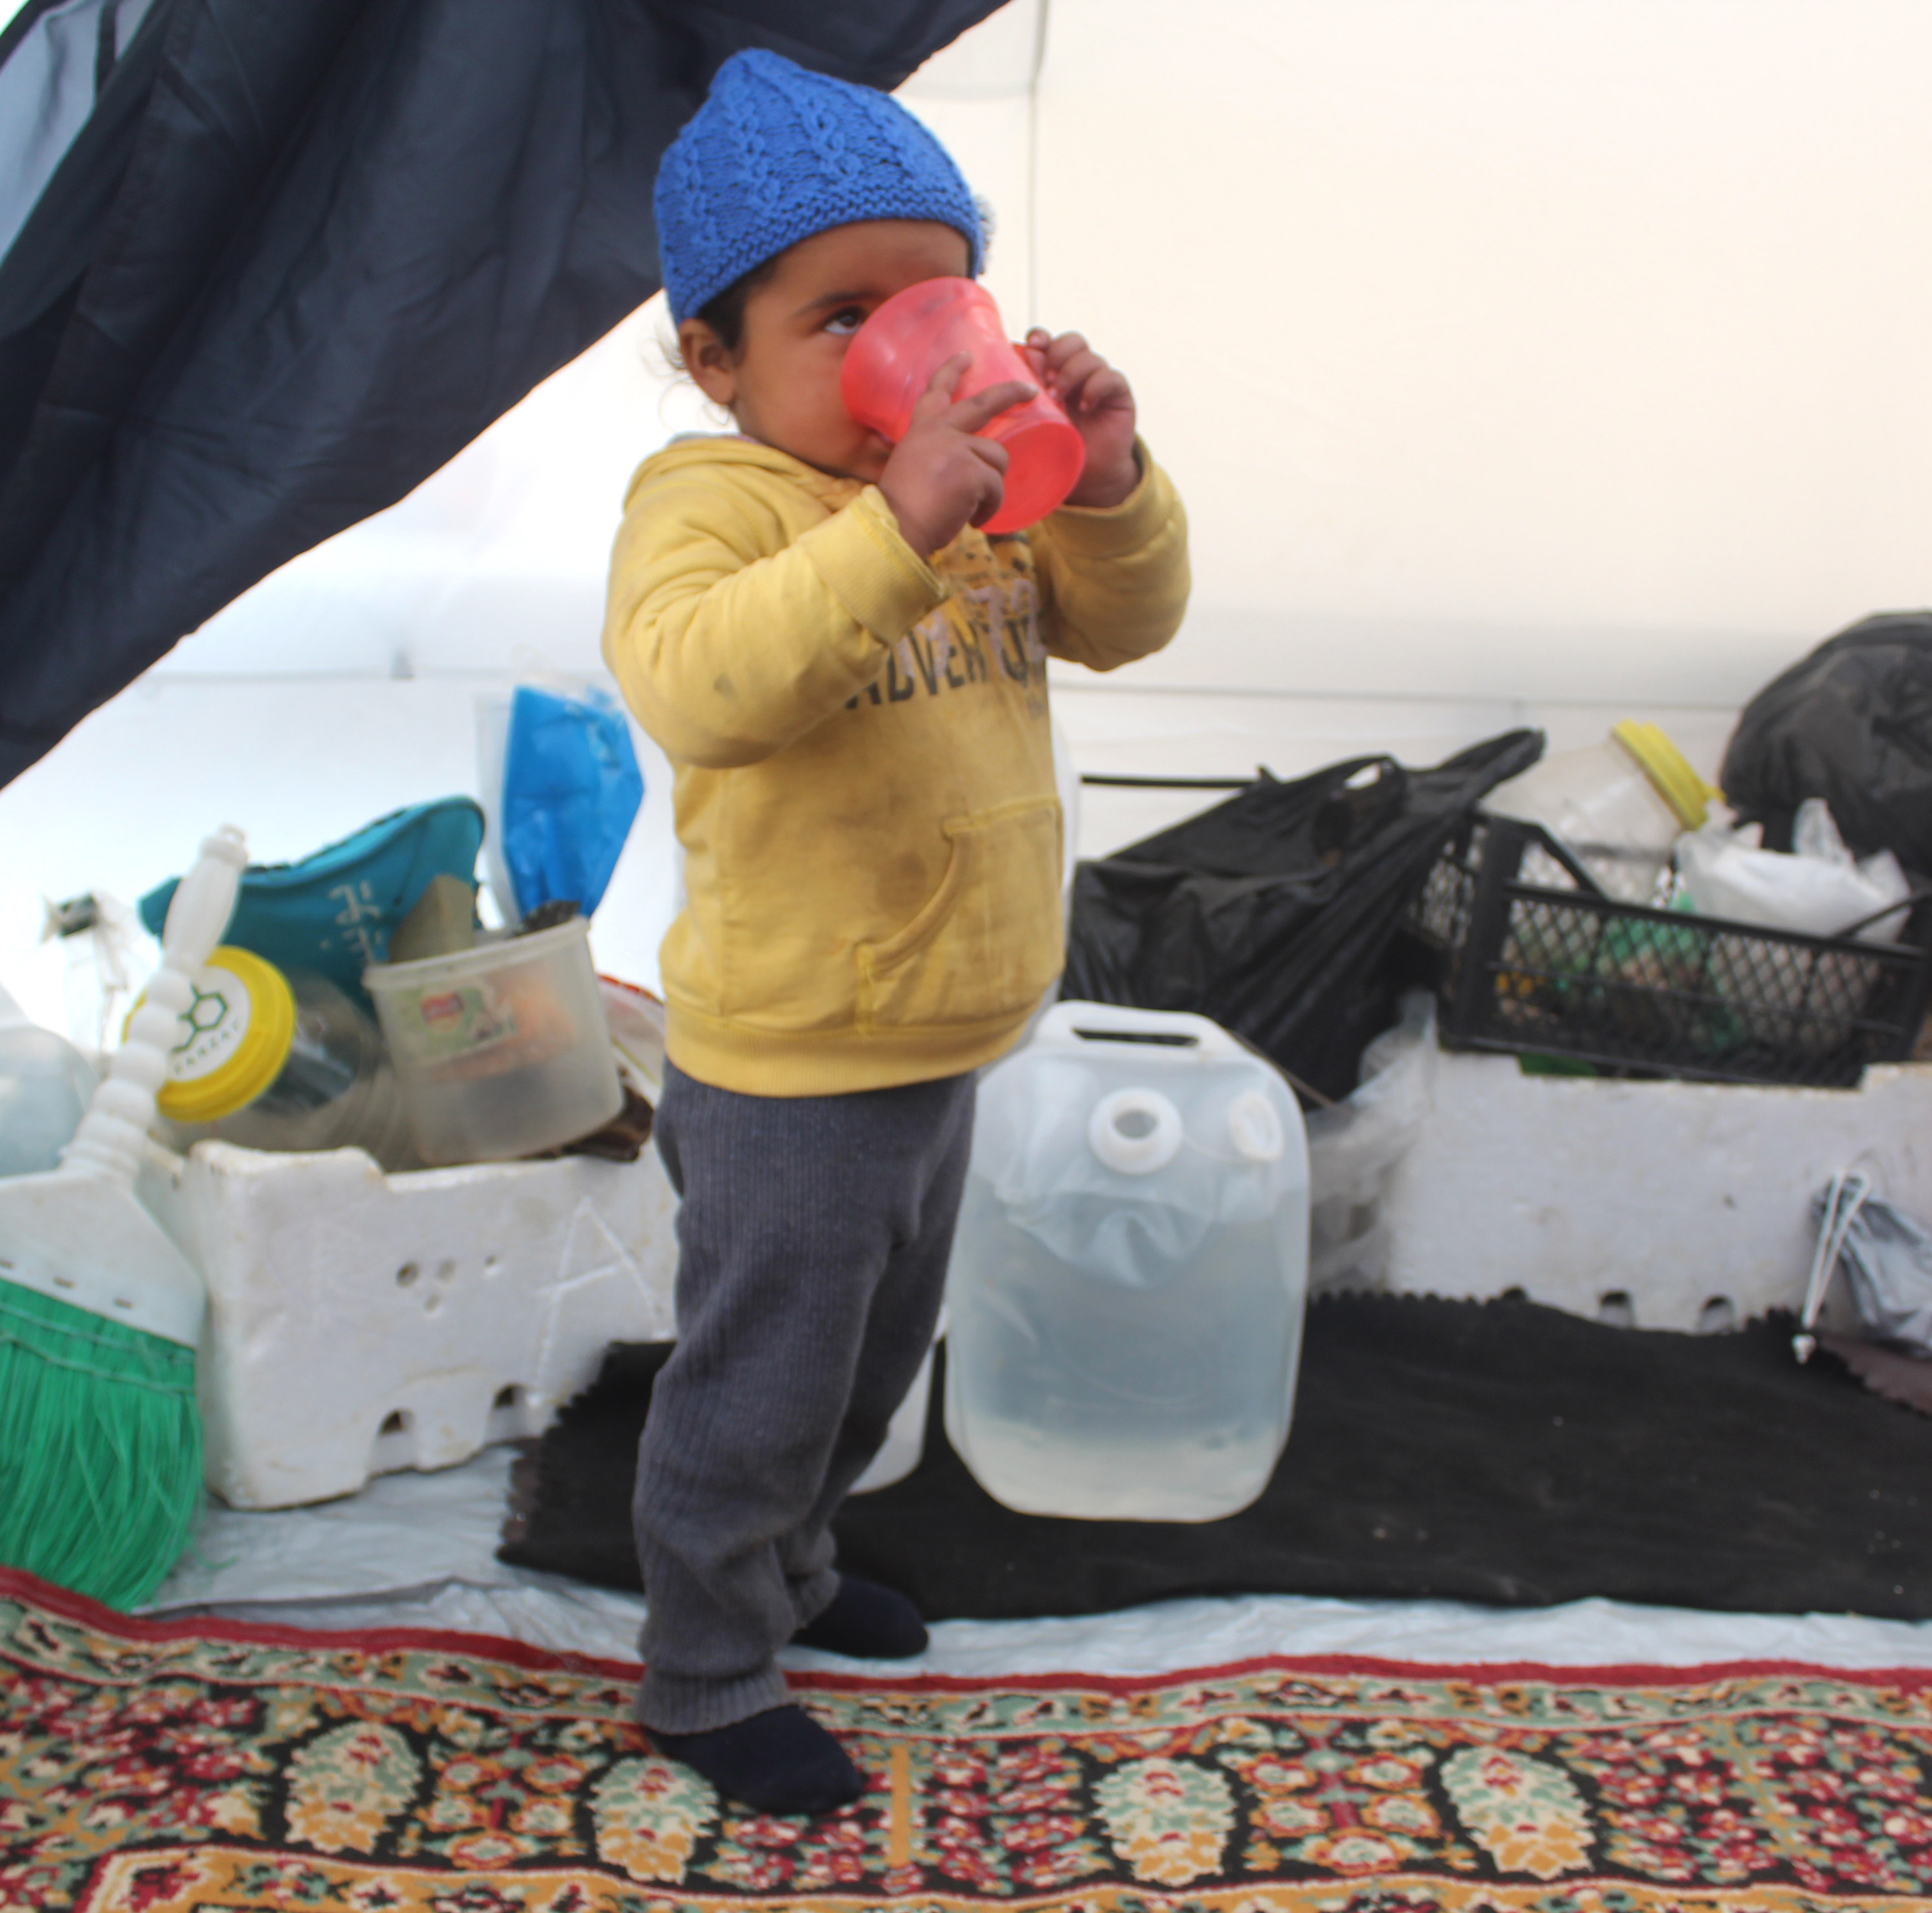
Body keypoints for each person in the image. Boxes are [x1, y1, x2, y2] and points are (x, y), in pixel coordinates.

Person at [599, 48, 1190, 1816]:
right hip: (792, 1058)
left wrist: (1102, 472)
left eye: (931, 302)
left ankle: (787, 1573)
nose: (900, 355)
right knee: (761, 1383)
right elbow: (709, 687)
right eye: (839, 317)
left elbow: (1128, 624)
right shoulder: (711, 507)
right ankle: (705, 1674)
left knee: (868, 1363)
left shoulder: (987, 485)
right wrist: (895, 521)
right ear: (716, 356)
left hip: (943, 1029)